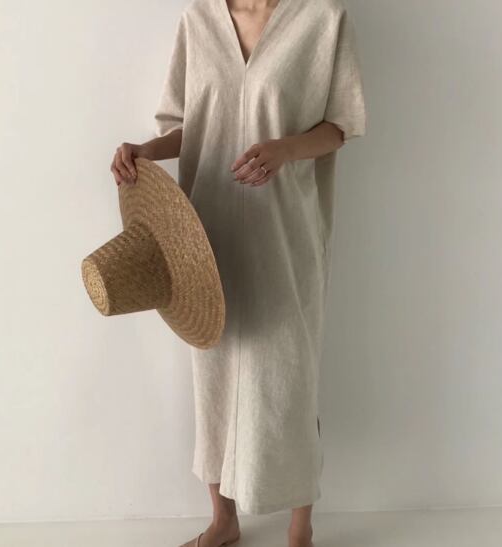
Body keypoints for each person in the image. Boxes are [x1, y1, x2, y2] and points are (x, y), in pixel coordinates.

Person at [110, 0, 366, 545]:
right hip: (205, 236)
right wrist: (145, 151)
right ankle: (224, 521)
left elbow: (341, 125)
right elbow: (186, 126)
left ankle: (300, 529)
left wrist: (284, 149)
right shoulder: (198, 21)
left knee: (290, 382)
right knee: (215, 376)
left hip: (285, 234)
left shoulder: (322, 19)